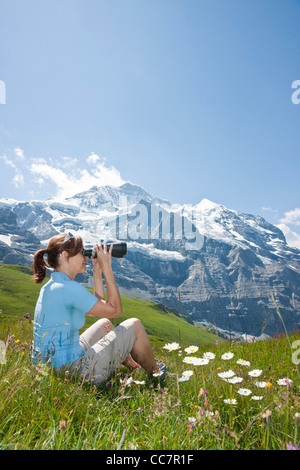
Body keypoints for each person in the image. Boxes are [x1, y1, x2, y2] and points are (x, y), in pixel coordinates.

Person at [32, 232, 167, 386]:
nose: (86, 258)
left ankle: (134, 367)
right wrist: (107, 268)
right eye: (82, 253)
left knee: (105, 324)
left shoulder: (53, 286)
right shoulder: (69, 289)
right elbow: (115, 310)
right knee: (135, 325)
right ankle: (157, 375)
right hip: (72, 371)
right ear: (65, 255)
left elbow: (98, 308)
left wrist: (97, 272)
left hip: (50, 366)